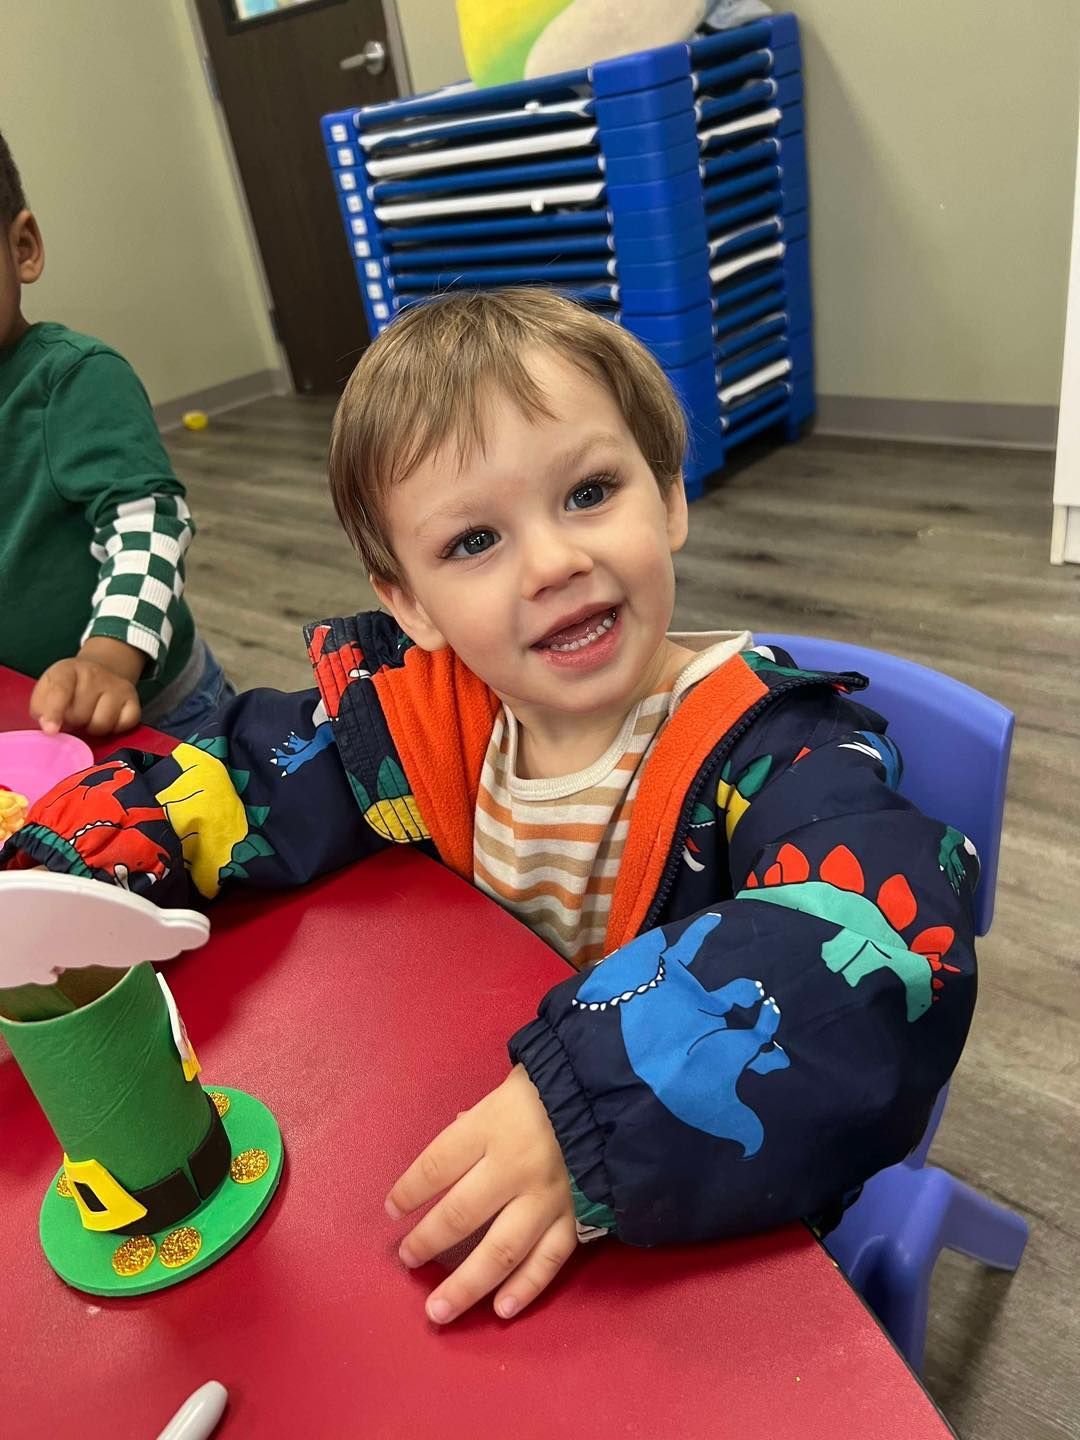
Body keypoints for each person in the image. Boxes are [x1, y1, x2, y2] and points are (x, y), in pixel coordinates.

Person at [0, 288, 980, 1329]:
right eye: (475, 541)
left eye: (590, 492)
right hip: (489, 1137)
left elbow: (886, 945)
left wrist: (592, 1107)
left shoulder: (780, 746)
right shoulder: (418, 717)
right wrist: (54, 871)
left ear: (668, 497)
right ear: (409, 603)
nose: (555, 562)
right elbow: (236, 775)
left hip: (708, 1184)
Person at [0, 127, 232, 739]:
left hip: (161, 712)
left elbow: (147, 524)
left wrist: (108, 657)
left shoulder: (72, 379)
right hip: (28, 725)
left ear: (22, 247)